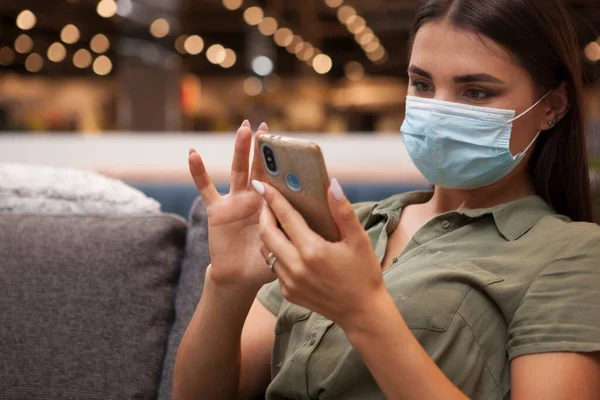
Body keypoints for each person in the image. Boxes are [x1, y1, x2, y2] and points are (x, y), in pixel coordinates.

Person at [173, 0, 600, 398]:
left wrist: (363, 310)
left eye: (476, 92)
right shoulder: (346, 226)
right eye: (422, 84)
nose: (438, 111)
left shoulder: (571, 254)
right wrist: (226, 284)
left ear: (553, 105)